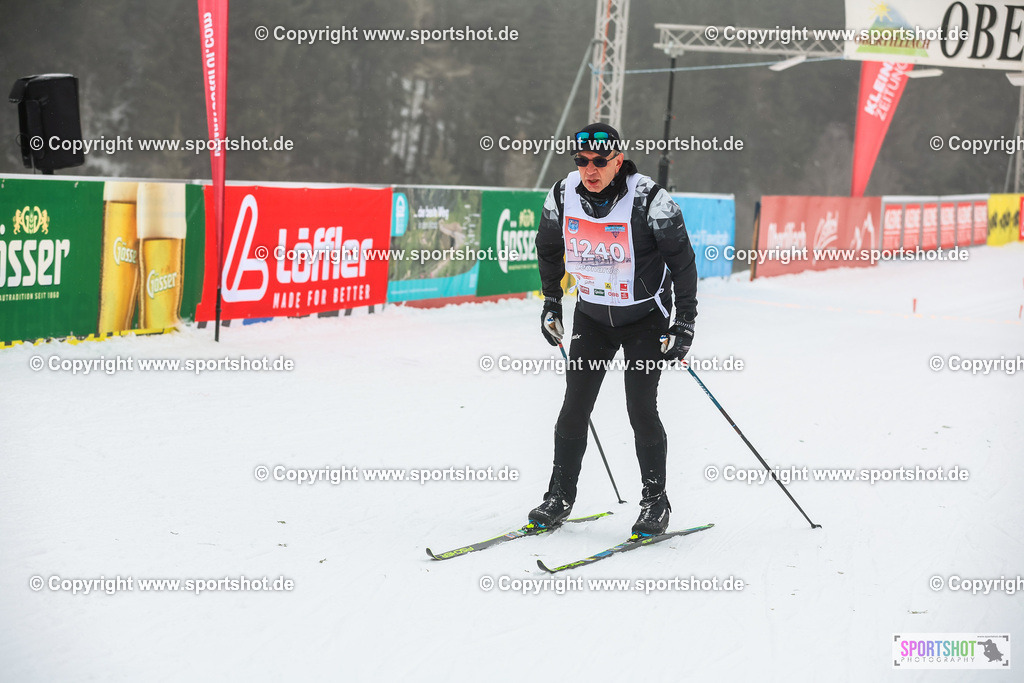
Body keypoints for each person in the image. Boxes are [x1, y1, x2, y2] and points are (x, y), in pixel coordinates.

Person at [530, 122, 698, 537]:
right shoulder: (562, 194)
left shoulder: (650, 200)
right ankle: (559, 497)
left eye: (600, 161)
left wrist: (684, 323)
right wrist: (552, 301)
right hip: (593, 318)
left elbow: (682, 263)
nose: (590, 169)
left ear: (618, 160)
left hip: (645, 319)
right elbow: (548, 248)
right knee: (574, 407)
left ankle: (655, 502)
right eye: (582, 160)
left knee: (640, 408)